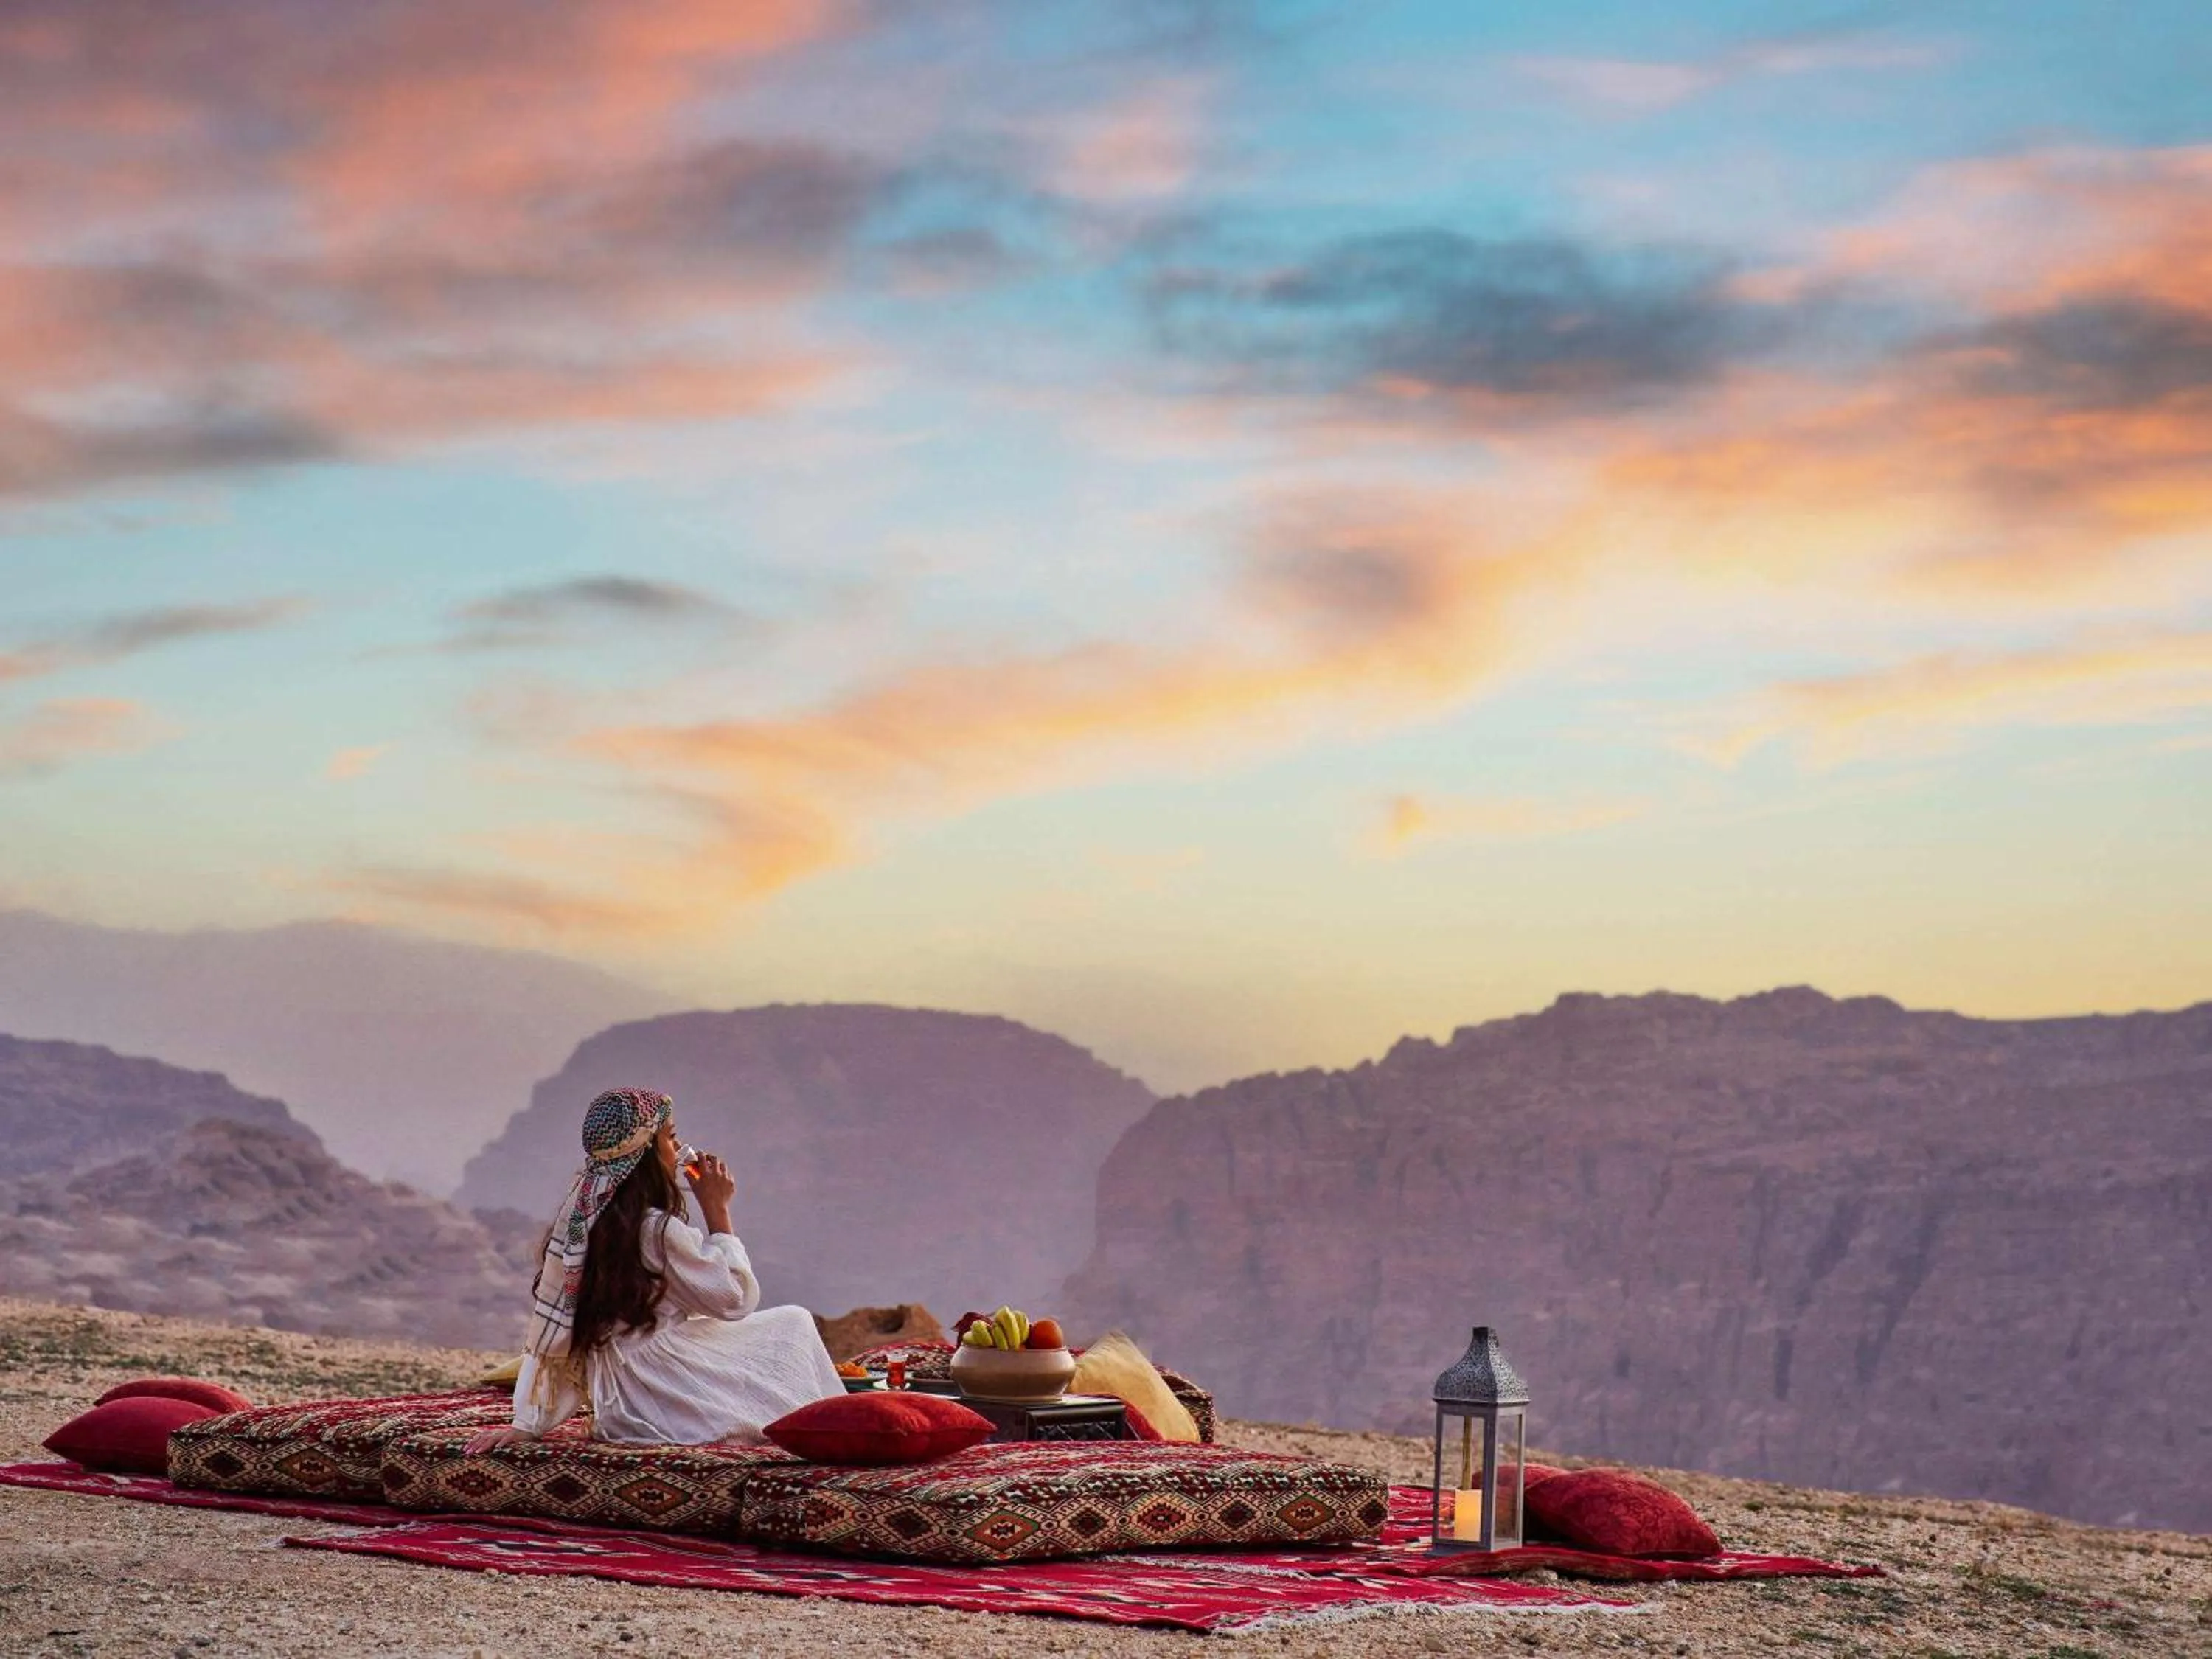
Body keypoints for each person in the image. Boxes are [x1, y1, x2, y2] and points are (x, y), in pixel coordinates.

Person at [465, 1087, 842, 1453]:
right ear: (645, 1152)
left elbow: (559, 1336)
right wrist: (718, 1212)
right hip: (671, 1402)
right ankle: (835, 1423)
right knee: (793, 1322)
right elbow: (735, 1301)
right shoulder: (658, 1230)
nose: (679, 1151)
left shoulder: (580, 1223)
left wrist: (527, 1425)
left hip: (622, 1412)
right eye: (672, 1138)